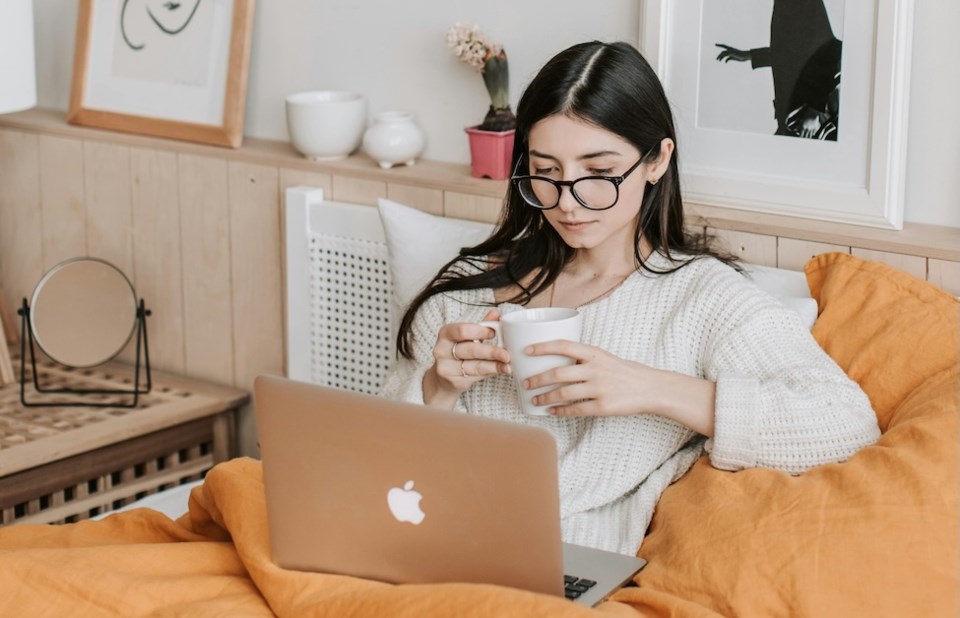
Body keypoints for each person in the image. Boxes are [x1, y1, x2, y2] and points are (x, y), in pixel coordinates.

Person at [379, 41, 879, 556]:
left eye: (598, 174)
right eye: (547, 172)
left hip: (560, 567)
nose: (569, 201)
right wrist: (436, 388)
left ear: (657, 161)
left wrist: (650, 388)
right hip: (425, 544)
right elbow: (379, 464)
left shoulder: (701, 299)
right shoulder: (463, 294)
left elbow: (845, 422)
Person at [715, 0, 841, 140]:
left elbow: (829, 49)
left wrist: (815, 110)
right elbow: (792, 51)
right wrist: (749, 55)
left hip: (811, 120)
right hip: (794, 116)